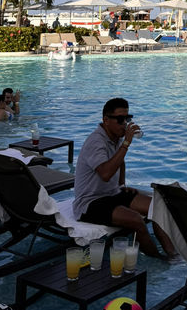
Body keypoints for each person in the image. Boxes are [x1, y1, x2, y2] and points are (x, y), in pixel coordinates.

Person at [72, 97, 178, 259]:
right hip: (90, 202)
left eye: (127, 118)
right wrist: (126, 143)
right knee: (136, 220)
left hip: (112, 193)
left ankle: (173, 255)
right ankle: (158, 259)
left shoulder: (116, 137)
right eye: (120, 119)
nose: (125, 123)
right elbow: (105, 174)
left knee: (158, 208)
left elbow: (120, 162)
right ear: (106, 120)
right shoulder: (96, 142)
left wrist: (121, 185)